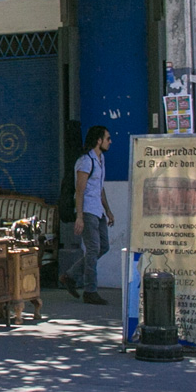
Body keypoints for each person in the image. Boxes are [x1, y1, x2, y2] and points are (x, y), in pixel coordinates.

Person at [61, 125, 114, 305]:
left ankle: (70, 275)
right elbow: (80, 190)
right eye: (107, 138)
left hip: (98, 209)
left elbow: (99, 188)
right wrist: (80, 217)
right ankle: (90, 291)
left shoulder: (101, 159)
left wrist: (108, 210)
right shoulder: (85, 161)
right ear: (98, 140)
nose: (110, 141)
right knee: (93, 249)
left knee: (103, 246)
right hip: (88, 210)